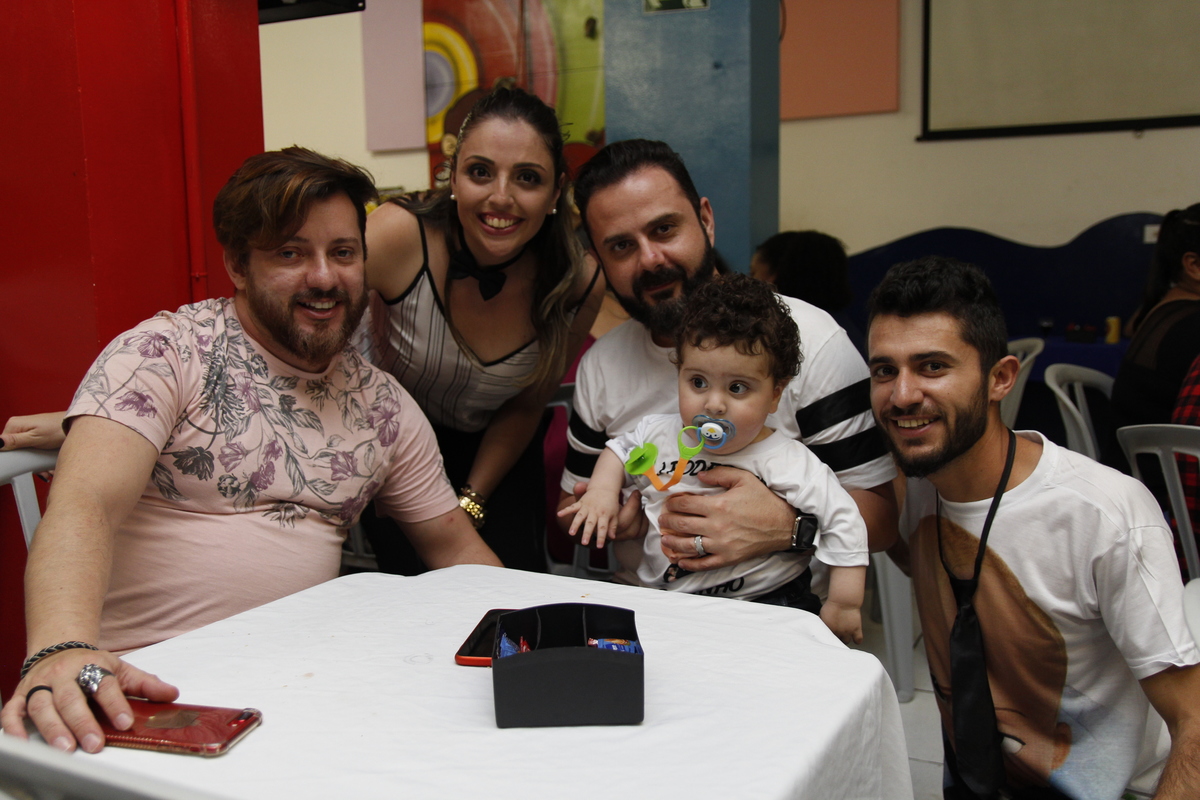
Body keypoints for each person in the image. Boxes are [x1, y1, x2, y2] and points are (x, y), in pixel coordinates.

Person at [0, 147, 502, 754]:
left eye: (344, 253)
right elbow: (85, 505)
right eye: (291, 253)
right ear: (239, 264)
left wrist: (535, 628)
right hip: (144, 696)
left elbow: (456, 551)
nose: (324, 278)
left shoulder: (383, 406)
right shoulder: (164, 354)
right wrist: (60, 648)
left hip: (297, 689)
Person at [867, 256, 1200, 799]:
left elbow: (1195, 721)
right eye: (885, 371)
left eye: (932, 367)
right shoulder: (916, 485)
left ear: (1000, 378)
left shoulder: (1102, 515)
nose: (902, 395)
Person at [557, 139, 896, 602]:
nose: (651, 259)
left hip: (779, 613)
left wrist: (786, 528)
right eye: (621, 246)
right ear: (599, 260)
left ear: (706, 220)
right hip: (652, 609)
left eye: (664, 229)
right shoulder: (603, 365)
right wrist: (614, 515)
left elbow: (882, 520)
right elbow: (572, 504)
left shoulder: (810, 340)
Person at [360, 85, 603, 574]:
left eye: (528, 178)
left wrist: (470, 501)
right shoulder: (397, 236)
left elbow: (528, 403)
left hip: (501, 453)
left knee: (512, 597)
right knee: (413, 598)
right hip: (391, 445)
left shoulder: (578, 281)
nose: (501, 198)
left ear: (555, 193)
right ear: (453, 176)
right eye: (480, 172)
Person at [561, 274, 867, 642]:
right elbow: (619, 451)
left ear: (775, 394)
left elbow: (844, 519)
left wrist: (844, 602)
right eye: (698, 382)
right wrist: (601, 492)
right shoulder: (658, 434)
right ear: (679, 372)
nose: (714, 404)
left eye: (737, 387)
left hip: (767, 601)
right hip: (665, 599)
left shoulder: (787, 460)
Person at [1111, 204, 1200, 438]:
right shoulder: (1192, 324)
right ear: (1193, 266)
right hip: (1164, 459)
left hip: (1133, 454)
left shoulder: (1165, 307)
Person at [751, 230, 865, 355]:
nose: (751, 282)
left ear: (778, 275)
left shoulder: (789, 335)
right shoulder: (848, 331)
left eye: (753, 273)